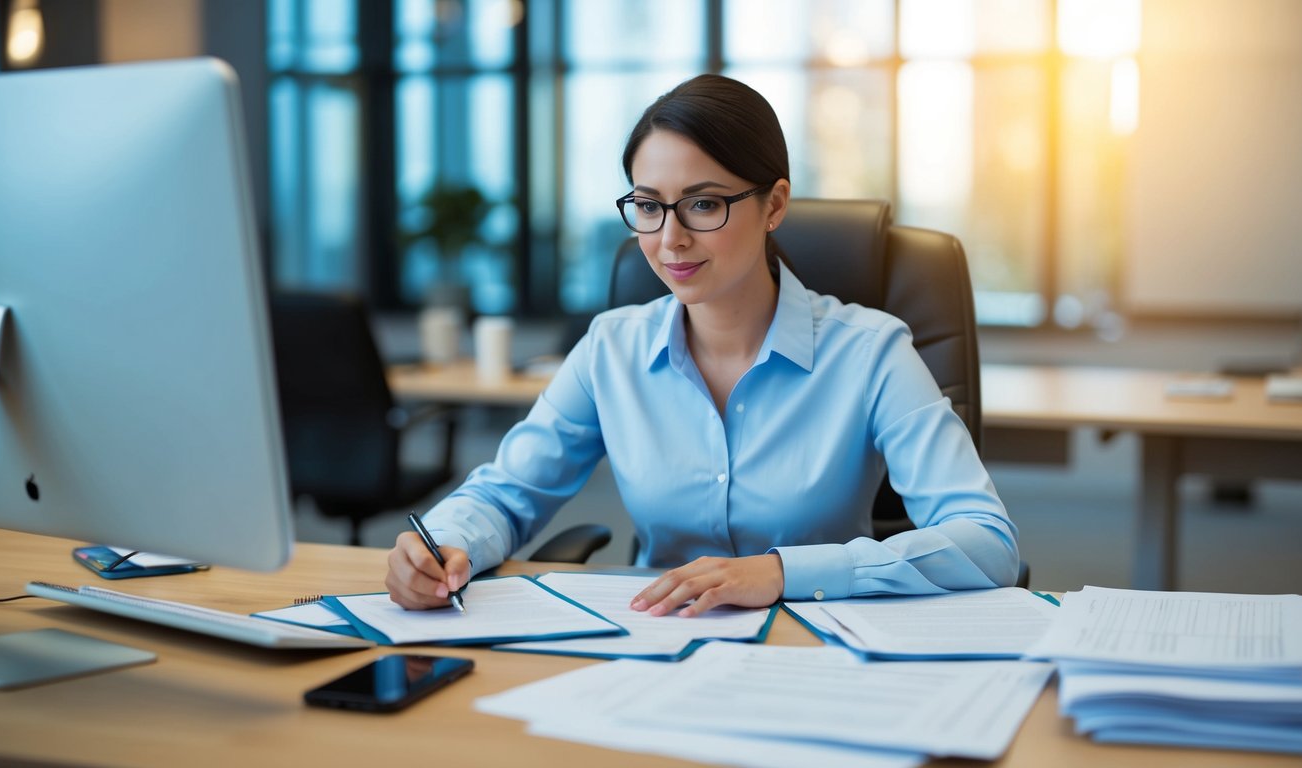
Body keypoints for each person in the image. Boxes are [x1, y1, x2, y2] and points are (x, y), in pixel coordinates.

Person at [386, 74, 1018, 617]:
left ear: (774, 204)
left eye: (704, 204)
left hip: (816, 646)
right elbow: (505, 494)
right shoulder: (612, 349)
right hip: (654, 637)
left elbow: (987, 541)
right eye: (648, 206)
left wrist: (780, 572)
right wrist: (440, 545)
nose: (670, 239)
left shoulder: (872, 352)